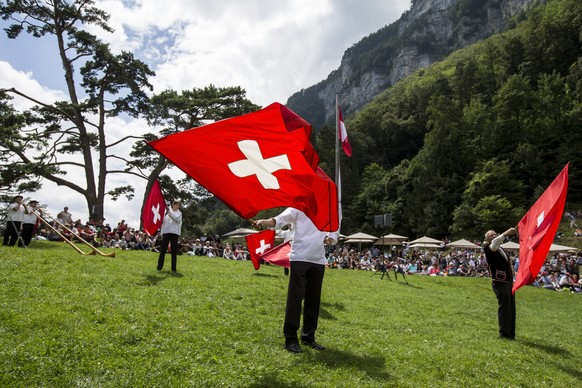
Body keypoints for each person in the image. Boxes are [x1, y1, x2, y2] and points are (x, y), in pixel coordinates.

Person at [253, 208, 338, 353]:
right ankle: (291, 339)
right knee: (295, 298)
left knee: (313, 300)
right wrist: (263, 222)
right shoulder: (298, 206)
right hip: (299, 257)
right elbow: (279, 220)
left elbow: (335, 228)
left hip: (318, 259)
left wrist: (330, 239)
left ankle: (308, 337)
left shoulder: (328, 207)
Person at [483, 227, 517, 340]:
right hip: (500, 281)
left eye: (494, 234)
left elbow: (507, 262)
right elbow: (495, 243)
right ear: (487, 239)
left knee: (511, 307)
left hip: (508, 280)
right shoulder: (489, 247)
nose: (493, 236)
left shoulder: (500, 248)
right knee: (504, 307)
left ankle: (511, 332)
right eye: (490, 235)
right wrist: (507, 233)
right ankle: (504, 333)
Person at [157, 200, 182, 273]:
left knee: (174, 251)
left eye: (178, 205)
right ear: (173, 205)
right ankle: (159, 267)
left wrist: (169, 212)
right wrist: (162, 232)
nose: (177, 206)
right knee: (163, 250)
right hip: (166, 232)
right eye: (176, 205)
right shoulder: (167, 213)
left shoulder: (179, 213)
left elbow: (176, 220)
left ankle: (173, 268)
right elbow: (163, 223)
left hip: (174, 233)